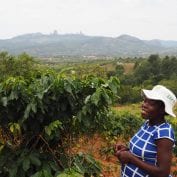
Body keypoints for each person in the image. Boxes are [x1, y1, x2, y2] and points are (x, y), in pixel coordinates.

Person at [114, 85, 177, 177]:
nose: (144, 105)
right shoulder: (147, 124)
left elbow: (163, 173)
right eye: (145, 101)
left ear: (162, 109)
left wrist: (131, 158)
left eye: (150, 103)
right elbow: (146, 154)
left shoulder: (164, 132)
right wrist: (127, 150)